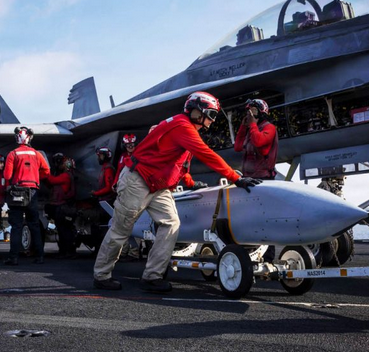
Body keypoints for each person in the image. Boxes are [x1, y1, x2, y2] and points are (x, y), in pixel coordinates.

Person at [93, 91, 261, 292]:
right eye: (211, 114)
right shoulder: (182, 126)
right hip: (138, 180)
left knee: (171, 223)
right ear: (197, 111)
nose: (212, 120)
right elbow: (206, 154)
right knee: (121, 229)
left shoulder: (184, 128)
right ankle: (101, 276)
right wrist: (236, 178)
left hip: (158, 185)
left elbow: (179, 164)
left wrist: (190, 183)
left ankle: (152, 276)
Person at [234, 98, 278, 262]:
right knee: (250, 217)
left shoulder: (269, 128)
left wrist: (251, 125)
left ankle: (268, 256)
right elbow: (238, 147)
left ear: (261, 112)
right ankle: (252, 250)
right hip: (249, 180)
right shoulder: (251, 130)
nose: (250, 114)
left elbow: (260, 142)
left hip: (263, 180)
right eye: (248, 111)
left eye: (252, 110)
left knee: (265, 217)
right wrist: (243, 126)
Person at [3, 126, 50, 265]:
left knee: (16, 226)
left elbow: (7, 175)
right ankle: (40, 256)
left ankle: (13, 257)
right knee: (34, 225)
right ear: (29, 138)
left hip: (17, 192)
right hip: (32, 191)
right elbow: (46, 171)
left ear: (17, 138)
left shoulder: (13, 154)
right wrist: (35, 177)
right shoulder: (37, 154)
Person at [45, 153, 77, 259]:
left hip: (62, 207)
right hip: (64, 206)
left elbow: (52, 180)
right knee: (64, 229)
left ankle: (66, 251)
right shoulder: (68, 175)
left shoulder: (65, 176)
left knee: (64, 230)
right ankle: (66, 251)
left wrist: (45, 171)